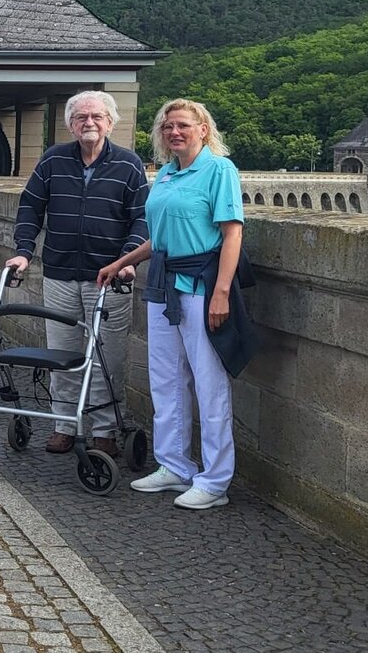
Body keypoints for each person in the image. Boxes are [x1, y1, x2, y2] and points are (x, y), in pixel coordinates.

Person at [98, 98, 252, 511]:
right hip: (164, 285)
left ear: (203, 129)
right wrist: (123, 262)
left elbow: (232, 233)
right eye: (168, 127)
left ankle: (215, 481)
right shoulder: (165, 174)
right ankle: (174, 464)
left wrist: (221, 292)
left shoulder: (219, 170)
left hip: (202, 284)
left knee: (209, 382)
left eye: (183, 125)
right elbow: (159, 238)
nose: (174, 132)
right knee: (165, 378)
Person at [4, 91, 148, 459]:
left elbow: (142, 219)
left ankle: (104, 430)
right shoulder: (53, 160)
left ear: (110, 123)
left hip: (111, 276)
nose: (89, 123)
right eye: (81, 117)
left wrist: (126, 260)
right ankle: (64, 425)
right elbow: (30, 207)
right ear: (70, 124)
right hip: (60, 272)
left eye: (97, 117)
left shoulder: (129, 165)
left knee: (108, 356)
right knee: (62, 353)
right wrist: (23, 252)